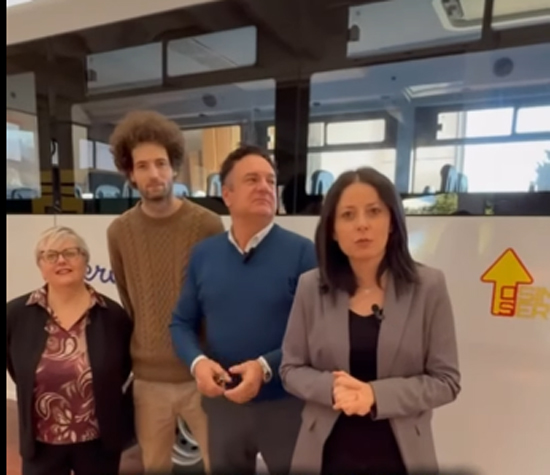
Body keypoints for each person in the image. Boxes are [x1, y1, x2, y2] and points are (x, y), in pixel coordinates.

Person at [279, 167, 461, 475]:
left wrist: (375, 395)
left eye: (374, 212)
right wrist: (334, 389)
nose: (362, 224)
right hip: (324, 453)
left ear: (392, 222)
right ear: (333, 230)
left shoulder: (429, 286)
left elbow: (446, 381)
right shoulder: (311, 286)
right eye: (348, 215)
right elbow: (290, 369)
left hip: (401, 455)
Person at [170, 145, 317, 475]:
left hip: (286, 405)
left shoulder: (303, 253)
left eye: (270, 180)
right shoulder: (203, 255)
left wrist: (265, 367)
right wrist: (198, 363)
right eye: (252, 179)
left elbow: (317, 332)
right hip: (224, 406)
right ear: (227, 194)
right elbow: (181, 322)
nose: (265, 187)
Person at [106, 110, 224, 474]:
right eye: (142, 166)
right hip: (148, 381)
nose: (153, 174)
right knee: (154, 466)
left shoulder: (207, 224)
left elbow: (217, 299)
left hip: (201, 374)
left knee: (220, 463)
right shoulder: (119, 232)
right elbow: (129, 299)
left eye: (160, 163)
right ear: (130, 173)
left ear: (174, 167)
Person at [6, 226, 134, 475]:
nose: (61, 260)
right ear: (41, 266)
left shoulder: (112, 315)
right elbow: (16, 367)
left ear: (85, 260)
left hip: (98, 444)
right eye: (50, 255)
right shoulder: (16, 315)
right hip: (40, 444)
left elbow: (121, 369)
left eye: (70, 253)